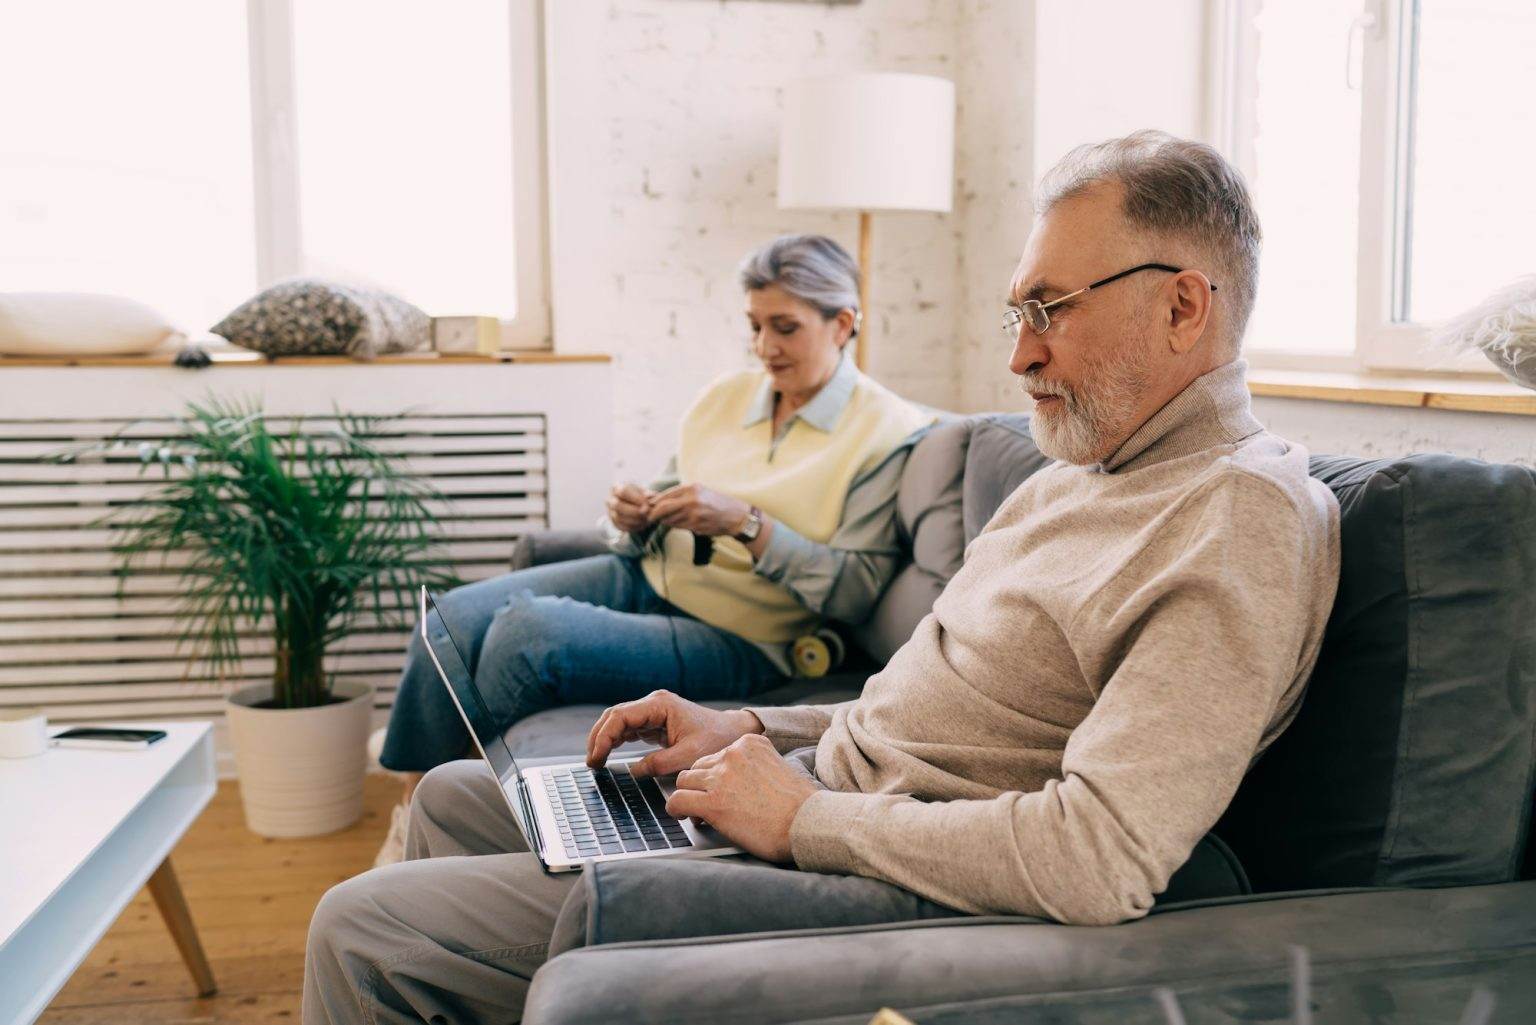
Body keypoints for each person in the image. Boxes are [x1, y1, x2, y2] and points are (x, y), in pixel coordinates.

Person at [303, 131, 1341, 1024]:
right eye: (1016, 311)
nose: (1021, 356)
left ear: (1184, 307)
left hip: (856, 861)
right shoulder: (1083, 473)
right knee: (448, 797)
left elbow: (1101, 853)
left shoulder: (1232, 515)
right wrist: (751, 731)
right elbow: (925, 712)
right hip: (818, 796)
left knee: (360, 926)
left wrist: (797, 817)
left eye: (1051, 308)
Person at [369, 233, 932, 865]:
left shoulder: (888, 431)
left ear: (843, 324)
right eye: (754, 326)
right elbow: (662, 498)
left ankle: (477, 842)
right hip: (647, 573)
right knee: (442, 623)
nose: (765, 347)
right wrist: (629, 518)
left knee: (522, 634)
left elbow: (853, 589)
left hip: (744, 631)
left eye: (785, 327)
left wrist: (747, 524)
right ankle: (417, 809)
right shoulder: (725, 399)